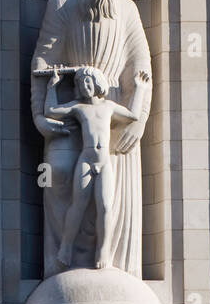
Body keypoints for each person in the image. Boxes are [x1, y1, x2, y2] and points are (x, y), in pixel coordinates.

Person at [31, 0, 153, 277]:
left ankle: (108, 263)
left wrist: (139, 119)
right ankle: (63, 261)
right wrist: (39, 113)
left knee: (108, 201)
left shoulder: (127, 9)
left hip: (112, 114)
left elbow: (140, 64)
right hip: (71, 110)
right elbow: (44, 56)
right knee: (58, 175)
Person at [45, 65, 151, 270]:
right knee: (78, 204)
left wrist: (139, 88)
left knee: (105, 206)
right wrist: (52, 87)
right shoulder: (78, 107)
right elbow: (51, 111)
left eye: (87, 81)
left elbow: (133, 115)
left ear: (96, 83)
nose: (84, 86)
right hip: (86, 159)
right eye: (80, 83)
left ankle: (103, 250)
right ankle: (66, 247)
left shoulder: (108, 106)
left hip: (104, 162)